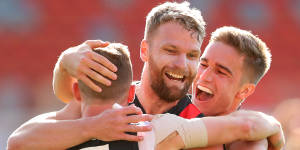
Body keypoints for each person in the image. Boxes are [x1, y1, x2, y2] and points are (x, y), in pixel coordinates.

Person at [7, 1, 284, 150]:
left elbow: (251, 130)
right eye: (170, 50)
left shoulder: (199, 124)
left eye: (191, 56)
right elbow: (20, 141)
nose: (182, 64)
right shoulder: (109, 100)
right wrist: (93, 128)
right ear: (144, 51)